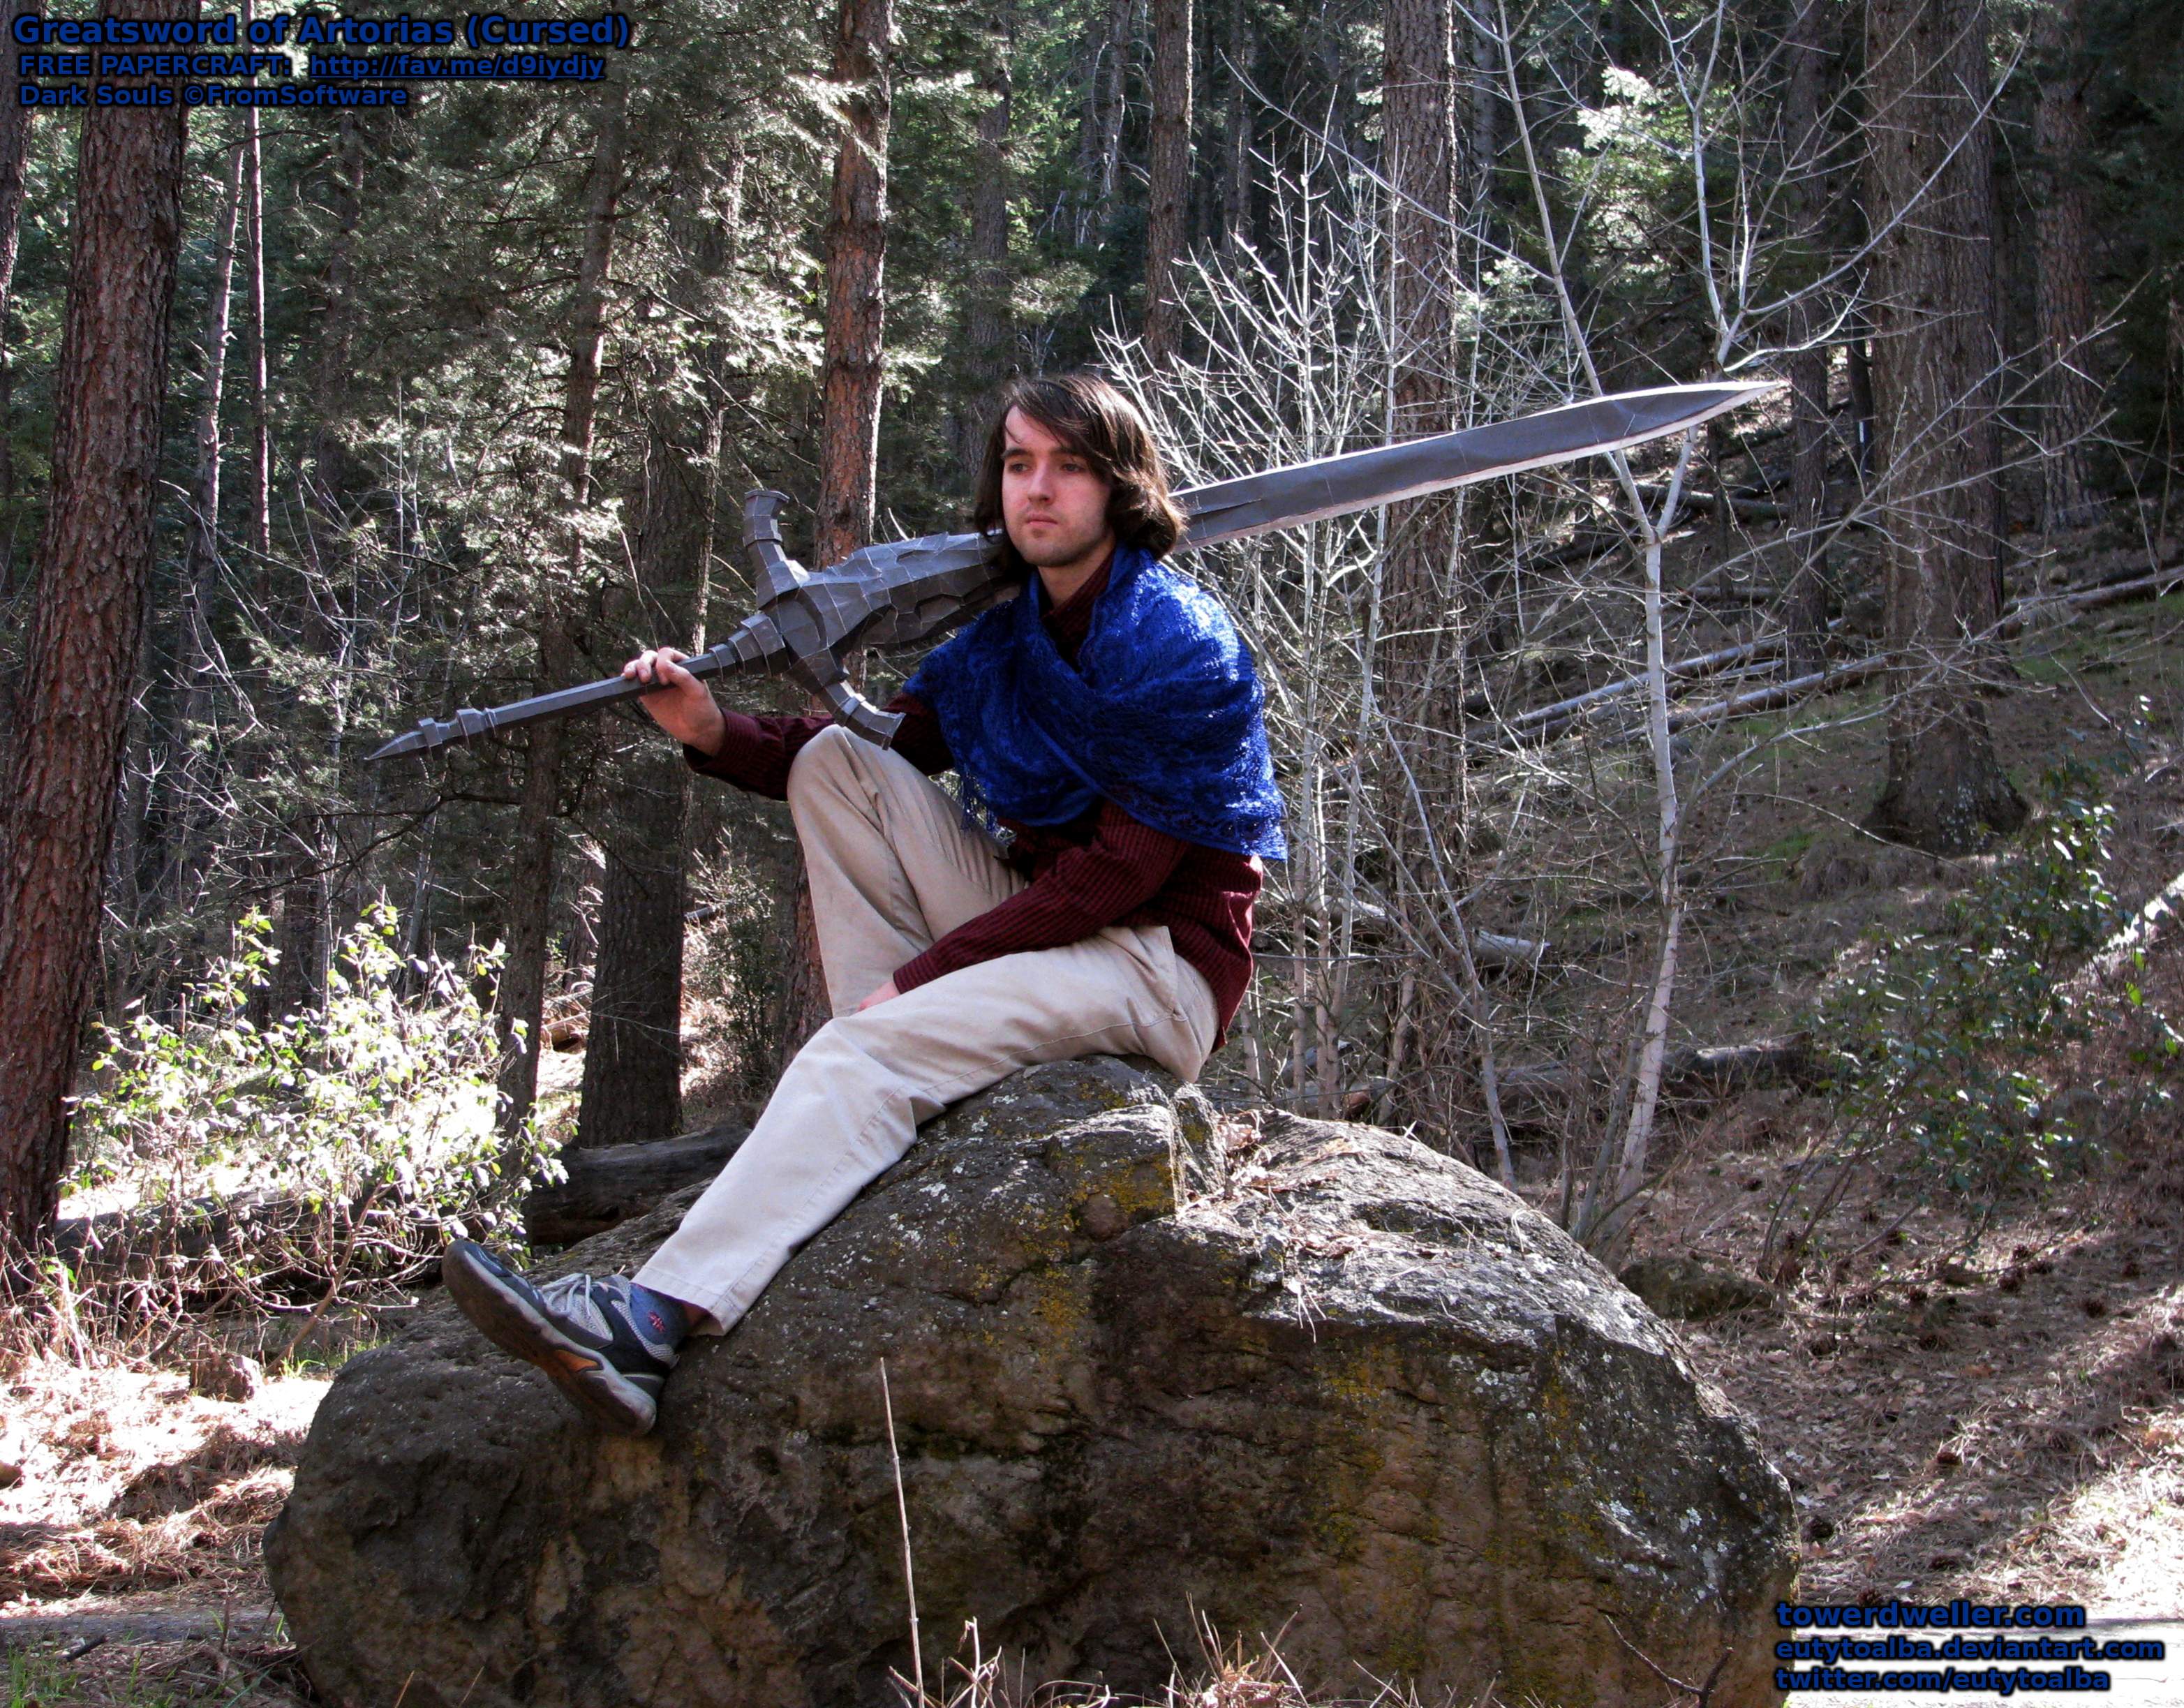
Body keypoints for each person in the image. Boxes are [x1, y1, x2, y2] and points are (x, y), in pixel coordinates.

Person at [442, 370, 1286, 1436]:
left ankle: (646, 1323)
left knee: (863, 1046)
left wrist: (916, 986)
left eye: (1068, 468)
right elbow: (881, 746)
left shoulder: (1175, 640)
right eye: (1019, 464)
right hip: (1046, 926)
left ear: (1119, 489)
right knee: (841, 763)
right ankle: (892, 1071)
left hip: (1155, 970)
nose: (1038, 491)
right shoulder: (1003, 637)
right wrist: (710, 729)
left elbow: (1118, 878)